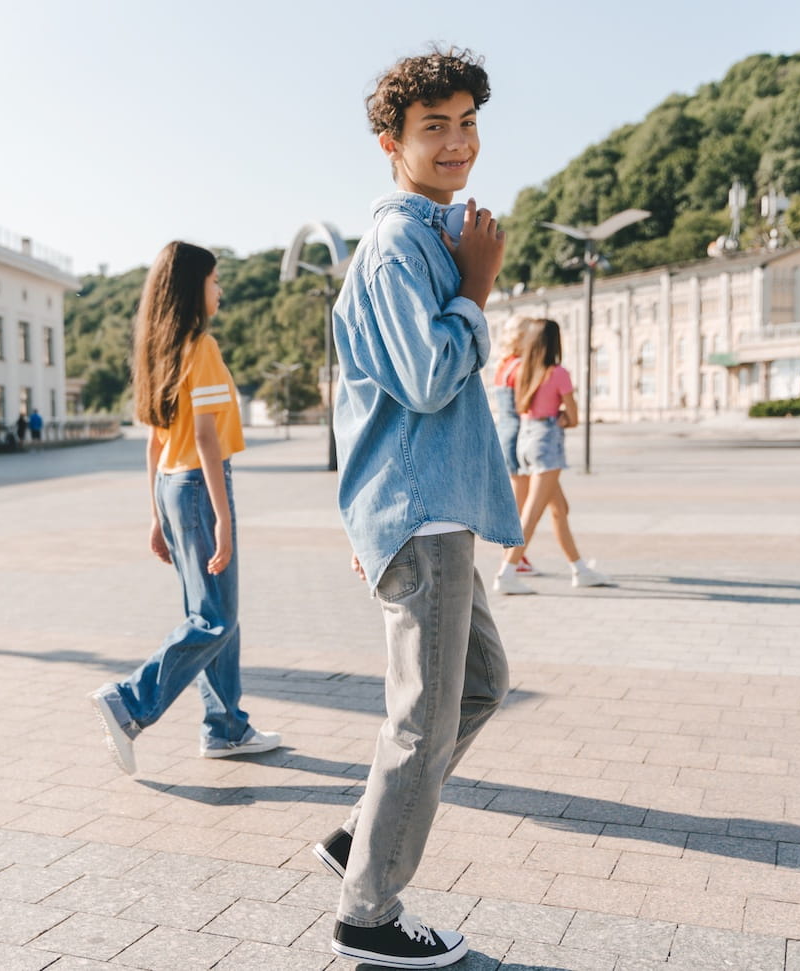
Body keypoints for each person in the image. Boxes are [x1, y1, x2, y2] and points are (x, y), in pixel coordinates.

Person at [311, 47, 522, 968]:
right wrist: (476, 288)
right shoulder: (400, 243)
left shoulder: (430, 234)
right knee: (421, 718)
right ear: (391, 143)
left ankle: (364, 833)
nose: (457, 141)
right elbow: (429, 379)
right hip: (420, 508)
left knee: (479, 684)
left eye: (467, 122)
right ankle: (368, 912)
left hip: (436, 507)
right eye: (434, 126)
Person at [88, 241, 281, 776]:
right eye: (214, 280)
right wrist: (224, 520)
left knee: (215, 613)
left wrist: (156, 514)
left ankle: (226, 728)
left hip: (172, 488)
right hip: (198, 486)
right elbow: (205, 439)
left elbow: (155, 443)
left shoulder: (159, 352)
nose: (220, 290)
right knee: (216, 618)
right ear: (192, 287)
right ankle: (130, 702)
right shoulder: (202, 347)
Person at [494, 318, 611, 594]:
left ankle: (580, 569)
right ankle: (507, 573)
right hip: (546, 443)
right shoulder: (558, 373)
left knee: (560, 509)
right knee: (532, 513)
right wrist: (560, 416)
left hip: (525, 441)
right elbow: (573, 418)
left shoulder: (521, 371)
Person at [493, 316, 539, 576]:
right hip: (520, 434)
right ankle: (513, 557)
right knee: (521, 502)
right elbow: (525, 405)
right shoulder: (521, 367)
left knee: (522, 498)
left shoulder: (504, 365)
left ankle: (515, 556)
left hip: (505, 431)